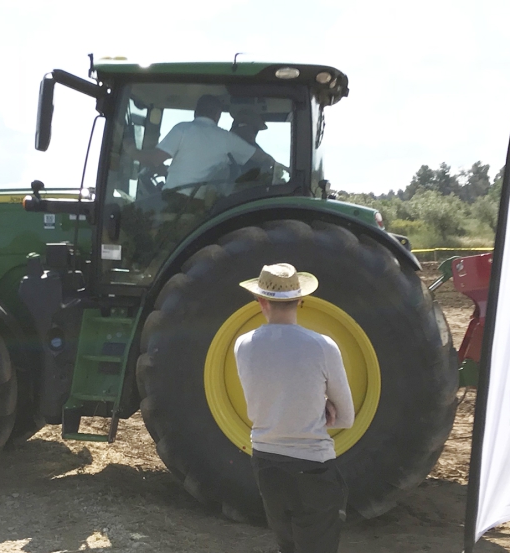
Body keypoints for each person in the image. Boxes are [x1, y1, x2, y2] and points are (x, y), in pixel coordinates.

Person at [234, 263, 355, 553]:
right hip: (312, 466)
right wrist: (321, 405)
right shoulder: (322, 346)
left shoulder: (242, 345)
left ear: (261, 301)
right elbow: (347, 418)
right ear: (301, 300)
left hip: (265, 462)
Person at [126, 94, 274, 192]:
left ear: (196, 111)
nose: (233, 128)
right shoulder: (228, 139)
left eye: (237, 125)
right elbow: (266, 159)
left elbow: (155, 159)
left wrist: (132, 151)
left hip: (175, 202)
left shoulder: (182, 129)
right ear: (217, 115)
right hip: (202, 205)